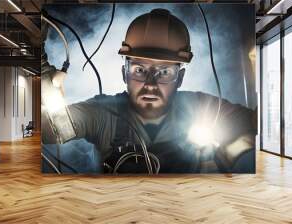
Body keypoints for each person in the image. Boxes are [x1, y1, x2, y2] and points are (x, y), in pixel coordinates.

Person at [42, 8, 256, 174]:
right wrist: (43, 75)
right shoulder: (100, 113)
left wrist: (235, 149)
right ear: (124, 73)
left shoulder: (199, 107)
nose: (151, 84)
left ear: (180, 78)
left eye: (164, 72)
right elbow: (50, 130)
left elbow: (255, 123)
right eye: (140, 70)